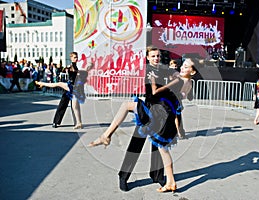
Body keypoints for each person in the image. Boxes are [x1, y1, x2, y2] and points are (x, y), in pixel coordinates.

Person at [89, 58, 197, 193]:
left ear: (192, 71)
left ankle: (158, 176)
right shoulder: (152, 70)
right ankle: (124, 177)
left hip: (158, 112)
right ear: (148, 57)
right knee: (137, 146)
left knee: (159, 148)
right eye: (153, 56)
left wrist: (158, 80)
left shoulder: (169, 73)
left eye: (158, 55)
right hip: (150, 110)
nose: (156, 58)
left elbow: (159, 91)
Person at [35, 62, 93, 129]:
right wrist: (89, 65)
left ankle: (78, 123)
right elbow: (86, 69)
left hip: (73, 88)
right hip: (74, 89)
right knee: (75, 107)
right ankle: (78, 123)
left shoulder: (78, 73)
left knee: (75, 107)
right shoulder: (79, 73)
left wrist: (88, 65)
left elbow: (85, 70)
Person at [51, 52, 79, 128]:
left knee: (75, 107)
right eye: (75, 57)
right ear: (71, 58)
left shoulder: (75, 66)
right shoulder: (72, 67)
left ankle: (77, 122)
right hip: (68, 88)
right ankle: (56, 122)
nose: (76, 59)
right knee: (63, 104)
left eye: (77, 57)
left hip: (74, 88)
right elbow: (71, 71)